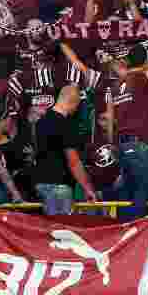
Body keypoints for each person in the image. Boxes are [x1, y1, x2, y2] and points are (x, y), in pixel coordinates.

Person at [106, 44, 148, 221]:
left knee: (125, 193)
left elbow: (110, 119)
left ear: (128, 61)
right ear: (144, 61)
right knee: (141, 193)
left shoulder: (115, 86)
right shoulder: (141, 78)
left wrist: (112, 144)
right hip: (139, 144)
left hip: (121, 144)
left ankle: (121, 229)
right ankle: (136, 231)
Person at [32, 85, 97, 214]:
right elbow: (74, 161)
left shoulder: (40, 122)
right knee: (61, 225)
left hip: (40, 184)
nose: (76, 109)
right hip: (59, 186)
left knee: (49, 224)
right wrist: (88, 189)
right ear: (73, 102)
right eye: (77, 105)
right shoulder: (65, 124)